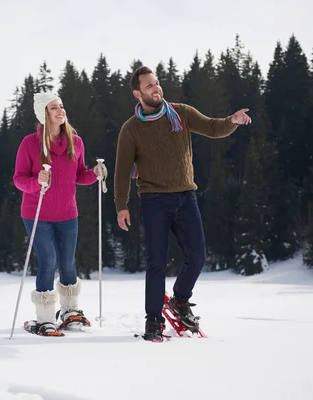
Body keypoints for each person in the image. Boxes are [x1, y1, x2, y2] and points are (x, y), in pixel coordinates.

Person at [114, 66, 251, 341]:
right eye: (149, 85)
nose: (156, 88)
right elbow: (122, 169)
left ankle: (179, 299)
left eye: (157, 83)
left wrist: (232, 121)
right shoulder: (131, 129)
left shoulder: (182, 114)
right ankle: (153, 319)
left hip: (186, 197)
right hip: (153, 200)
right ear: (137, 93)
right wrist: (121, 205)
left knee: (198, 256)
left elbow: (213, 127)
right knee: (156, 262)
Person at [13, 92, 107, 336]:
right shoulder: (29, 144)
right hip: (37, 214)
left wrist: (95, 173)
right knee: (48, 260)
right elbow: (19, 179)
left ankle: (69, 311)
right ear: (44, 114)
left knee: (67, 262)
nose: (60, 111)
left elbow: (79, 175)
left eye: (61, 106)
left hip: (67, 214)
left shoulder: (75, 142)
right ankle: (45, 318)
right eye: (54, 107)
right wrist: (37, 181)